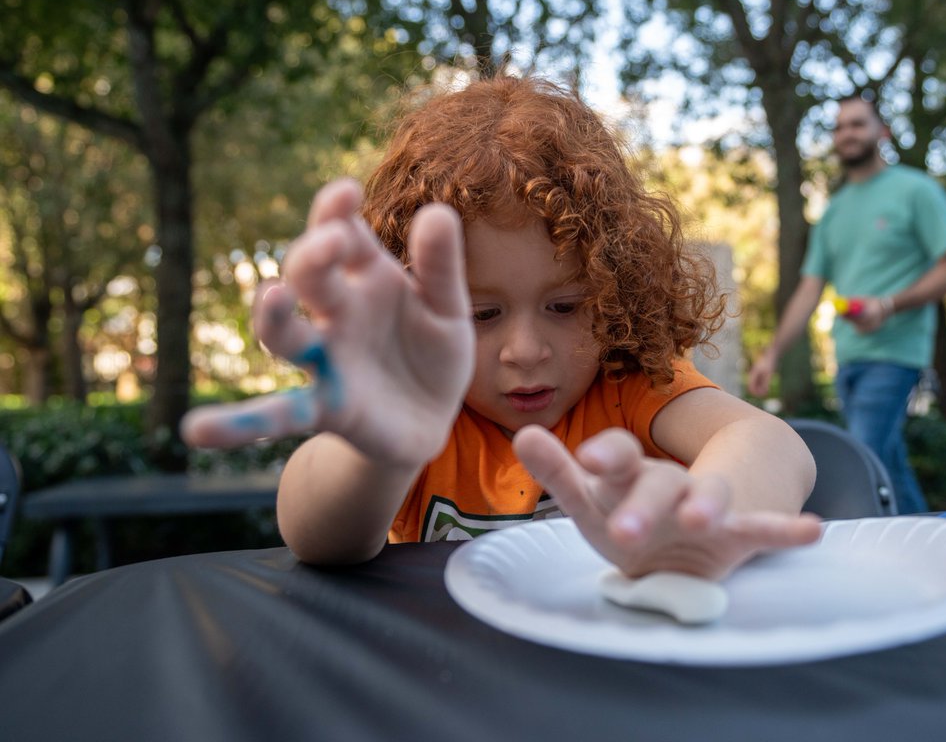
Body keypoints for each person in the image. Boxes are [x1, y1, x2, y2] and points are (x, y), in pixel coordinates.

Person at [184, 76, 820, 580]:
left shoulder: (628, 390)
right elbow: (318, 538)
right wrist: (379, 450)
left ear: (616, 290)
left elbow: (770, 444)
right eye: (480, 315)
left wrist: (706, 520)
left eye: (566, 305)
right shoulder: (426, 415)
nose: (525, 350)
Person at [748, 95, 946, 514]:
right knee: (889, 468)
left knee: (859, 460)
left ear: (881, 132)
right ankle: (930, 542)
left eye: (857, 124)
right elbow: (809, 290)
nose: (847, 134)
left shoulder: (916, 191)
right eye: (839, 127)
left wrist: (887, 305)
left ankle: (853, 553)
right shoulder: (834, 212)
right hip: (848, 358)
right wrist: (773, 354)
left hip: (895, 354)